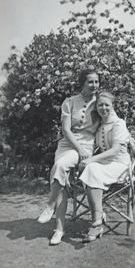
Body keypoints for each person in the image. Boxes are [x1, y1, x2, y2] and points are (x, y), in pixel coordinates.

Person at [37, 68, 100, 245]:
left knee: (58, 167)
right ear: (82, 83)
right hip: (66, 144)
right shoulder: (70, 102)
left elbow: (114, 122)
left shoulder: (101, 102)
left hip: (86, 147)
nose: (94, 85)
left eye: (96, 81)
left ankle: (50, 205)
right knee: (60, 181)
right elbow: (65, 129)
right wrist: (77, 148)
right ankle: (59, 229)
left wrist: (129, 140)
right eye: (90, 81)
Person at [79, 91, 131, 242]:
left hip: (120, 165)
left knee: (91, 168)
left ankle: (97, 221)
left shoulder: (118, 123)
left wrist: (91, 160)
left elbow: (115, 150)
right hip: (106, 164)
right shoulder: (100, 125)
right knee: (89, 169)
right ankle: (98, 217)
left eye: (107, 105)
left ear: (112, 106)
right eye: (100, 105)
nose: (103, 108)